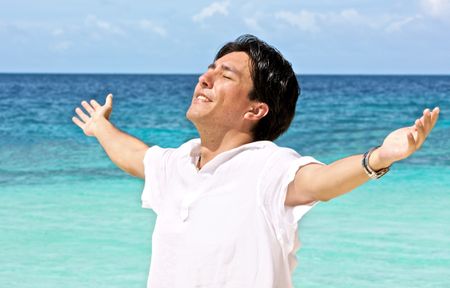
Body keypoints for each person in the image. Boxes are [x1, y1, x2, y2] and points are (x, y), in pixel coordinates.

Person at [72, 35, 440, 288]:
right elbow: (136, 156)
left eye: (224, 75)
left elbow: (321, 182)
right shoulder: (178, 164)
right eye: (210, 70)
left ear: (256, 109)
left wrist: (379, 157)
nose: (204, 79)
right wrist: (100, 127)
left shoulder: (266, 166)